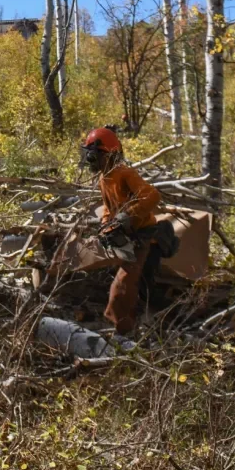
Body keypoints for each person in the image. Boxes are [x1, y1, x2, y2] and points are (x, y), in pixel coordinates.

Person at [81, 126, 164, 334]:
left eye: (95, 155)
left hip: (143, 232)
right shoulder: (103, 178)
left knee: (123, 282)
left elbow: (152, 195)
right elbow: (109, 207)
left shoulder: (125, 173)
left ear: (107, 154)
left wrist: (128, 216)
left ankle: (121, 329)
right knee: (134, 280)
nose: (91, 159)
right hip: (127, 232)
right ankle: (135, 321)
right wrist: (107, 224)